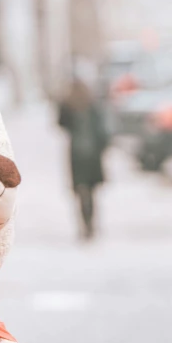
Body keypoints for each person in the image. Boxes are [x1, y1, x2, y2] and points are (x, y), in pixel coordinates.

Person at [57, 77, 109, 241]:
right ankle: (90, 224)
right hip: (92, 155)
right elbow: (101, 130)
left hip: (77, 155)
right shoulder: (92, 106)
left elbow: (60, 124)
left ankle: (85, 225)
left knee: (81, 191)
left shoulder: (68, 106)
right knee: (91, 192)